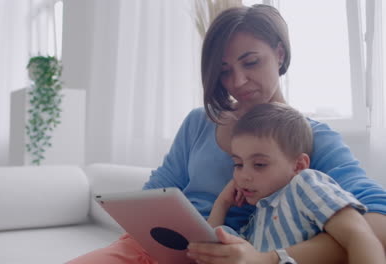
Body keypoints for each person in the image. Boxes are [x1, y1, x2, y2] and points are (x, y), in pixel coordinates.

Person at [67, 4, 386, 264]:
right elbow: (153, 195)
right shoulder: (198, 123)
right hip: (153, 248)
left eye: (251, 62)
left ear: (279, 54)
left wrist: (268, 258)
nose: (238, 81)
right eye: (224, 70)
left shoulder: (312, 137)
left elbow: (378, 223)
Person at [205, 102, 385, 264]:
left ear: (298, 165)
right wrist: (222, 203)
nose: (244, 176)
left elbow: (359, 236)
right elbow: (209, 249)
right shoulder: (257, 219)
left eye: (259, 164)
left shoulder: (305, 185)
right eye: (238, 164)